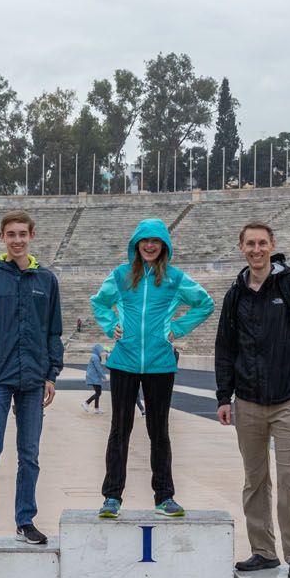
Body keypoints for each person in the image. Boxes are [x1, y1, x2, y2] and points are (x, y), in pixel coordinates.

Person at [215, 222, 290, 578]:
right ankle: (263, 551)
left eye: (262, 243)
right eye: (250, 243)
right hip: (247, 400)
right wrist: (223, 396)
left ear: (272, 245)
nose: (256, 249)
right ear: (241, 247)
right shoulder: (236, 293)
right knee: (255, 480)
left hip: (289, 401)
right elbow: (225, 348)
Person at [89, 218, 215, 519]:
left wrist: (176, 329)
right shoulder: (120, 276)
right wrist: (112, 326)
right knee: (120, 429)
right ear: (136, 245)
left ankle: (164, 496)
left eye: (155, 241)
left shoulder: (174, 278)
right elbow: (99, 303)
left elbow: (205, 303)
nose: (149, 245)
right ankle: (112, 497)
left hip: (160, 363)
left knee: (159, 430)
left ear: (164, 246)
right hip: (124, 362)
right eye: (144, 241)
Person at [0, 210, 64, 547]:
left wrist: (52, 373)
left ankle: (25, 520)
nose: (17, 240)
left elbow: (53, 331)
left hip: (34, 380)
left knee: (30, 454)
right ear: (2, 238)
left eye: (23, 233)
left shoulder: (47, 281)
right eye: (11, 234)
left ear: (32, 236)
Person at [82, 344, 107, 414]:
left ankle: (96, 409)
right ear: (97, 350)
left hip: (94, 376)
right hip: (93, 377)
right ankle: (86, 403)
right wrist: (104, 376)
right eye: (100, 350)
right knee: (98, 392)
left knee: (98, 392)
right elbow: (98, 368)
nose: (101, 351)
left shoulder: (95, 356)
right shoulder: (95, 357)